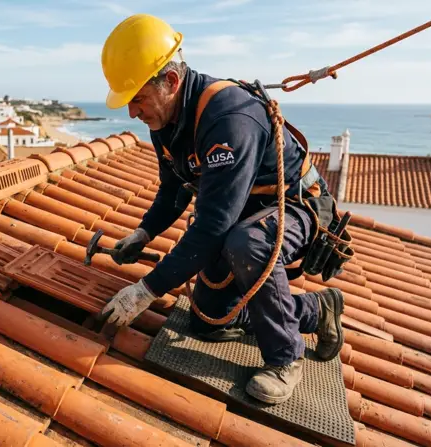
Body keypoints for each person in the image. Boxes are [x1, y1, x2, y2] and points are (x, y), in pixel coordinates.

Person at [96, 13, 347, 404]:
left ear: (172, 82)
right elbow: (173, 188)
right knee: (209, 321)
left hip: (296, 207)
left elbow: (214, 224)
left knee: (247, 244)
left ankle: (285, 357)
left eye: (138, 99)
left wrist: (146, 290)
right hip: (243, 212)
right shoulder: (165, 116)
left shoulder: (229, 119)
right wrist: (144, 232)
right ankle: (316, 310)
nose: (133, 112)